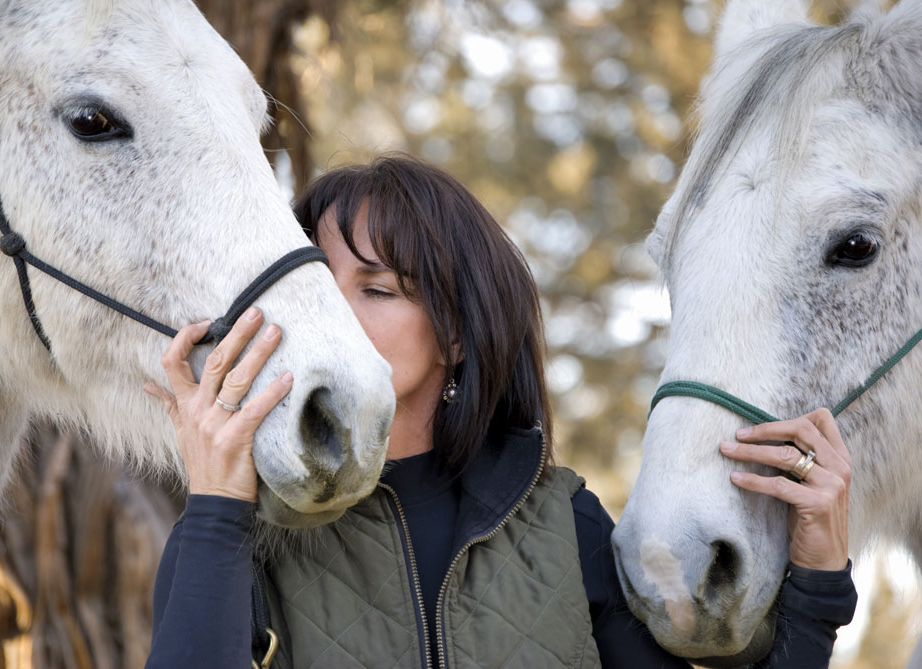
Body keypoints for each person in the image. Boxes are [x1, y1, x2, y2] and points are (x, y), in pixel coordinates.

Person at [144, 156, 856, 668]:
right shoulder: (236, 534)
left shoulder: (558, 521)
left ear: (455, 335)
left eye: (378, 288)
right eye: (317, 282)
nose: (328, 311)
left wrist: (817, 578)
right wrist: (214, 509)